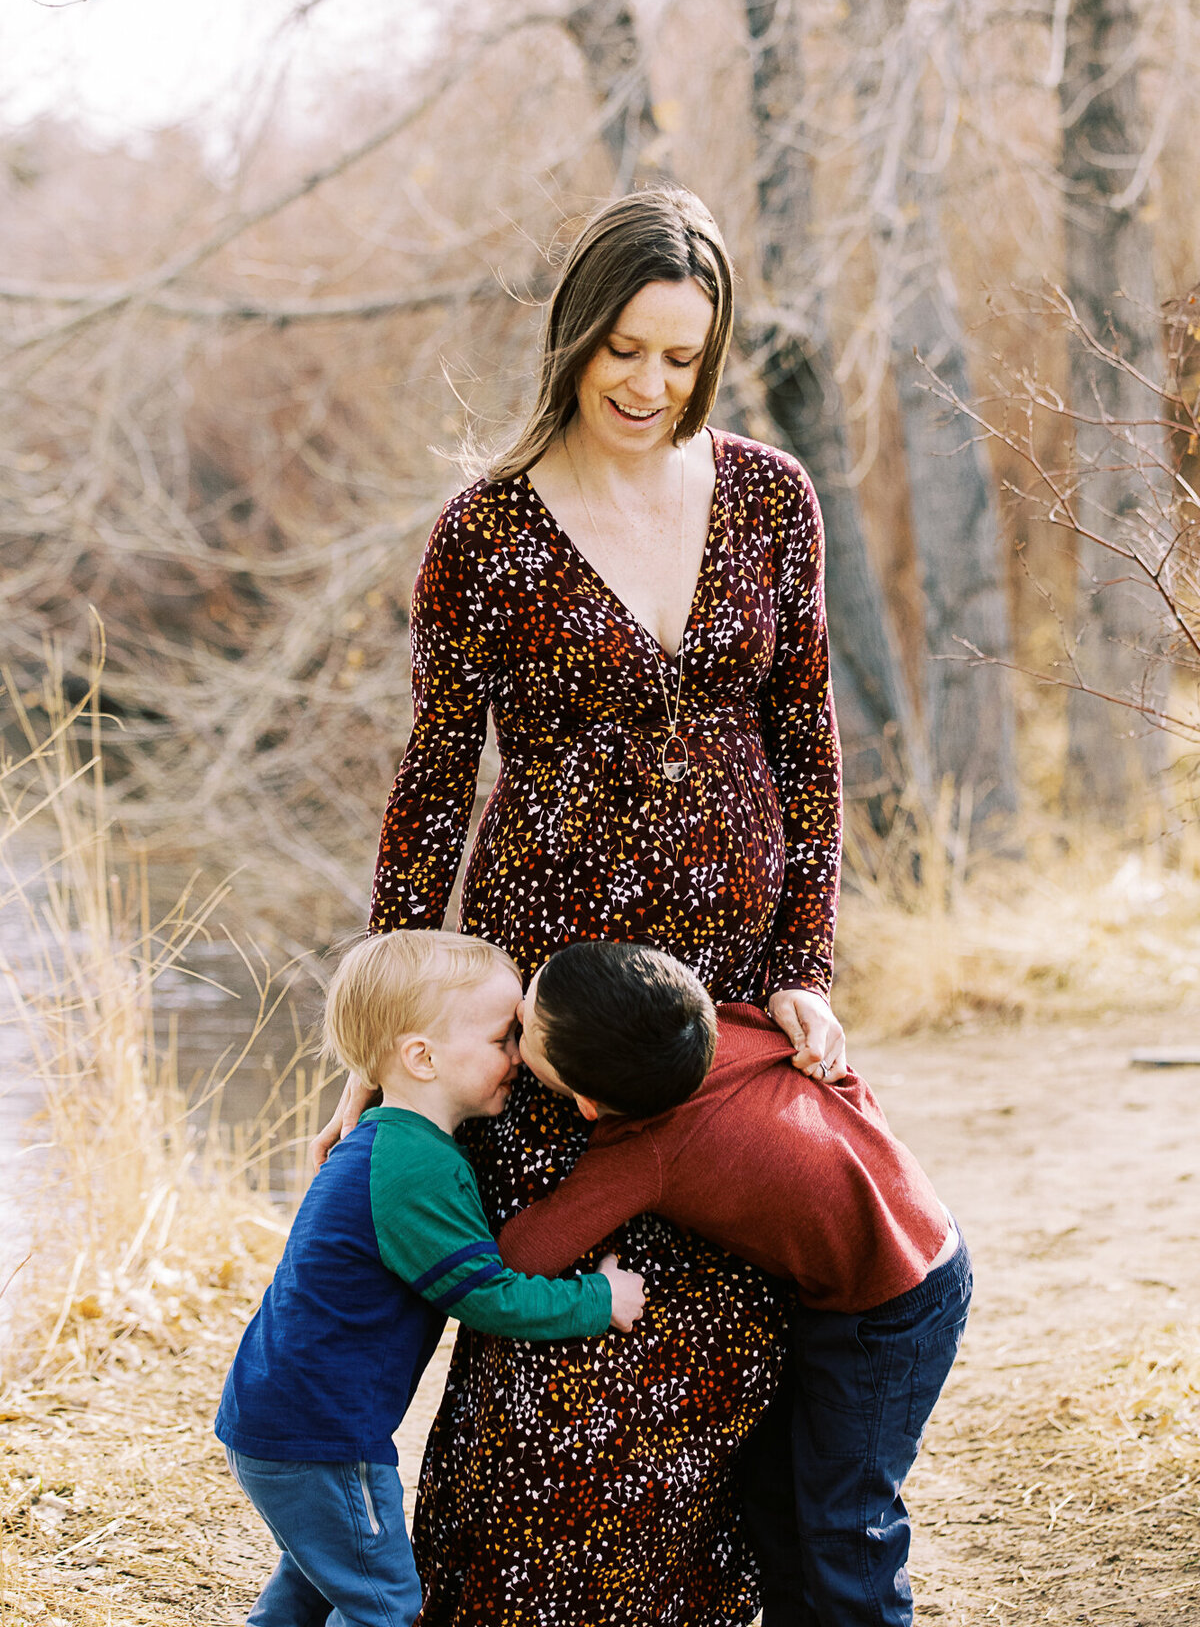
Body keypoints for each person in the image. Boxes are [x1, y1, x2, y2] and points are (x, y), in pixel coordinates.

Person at [313, 186, 847, 1623]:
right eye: (624, 348)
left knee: (725, 1352)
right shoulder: (483, 529)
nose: (649, 383)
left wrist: (804, 959)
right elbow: (431, 783)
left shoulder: (765, 497)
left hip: (727, 1008)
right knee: (548, 1368)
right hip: (543, 1015)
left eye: (681, 357)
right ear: (572, 337)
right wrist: (384, 1045)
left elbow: (804, 739)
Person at [505, 940, 973, 1627]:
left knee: (846, 1522)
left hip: (894, 1304)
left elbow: (521, 1255)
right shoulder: (739, 1024)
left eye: (522, 1029)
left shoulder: (641, 1148)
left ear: (586, 1105)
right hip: (898, 1251)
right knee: (777, 1496)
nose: (513, 1037)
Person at [217, 931, 645, 1627]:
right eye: (505, 1039)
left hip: (281, 1420)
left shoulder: (387, 1142)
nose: (523, 1059)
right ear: (422, 1056)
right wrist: (600, 1298)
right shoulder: (415, 1168)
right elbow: (487, 1296)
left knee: (315, 1588)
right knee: (383, 1606)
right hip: (322, 1436)